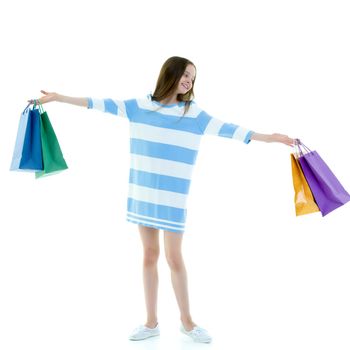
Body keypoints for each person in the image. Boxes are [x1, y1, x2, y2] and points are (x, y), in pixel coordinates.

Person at [29, 56, 294, 343]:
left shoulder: (193, 114)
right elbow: (99, 103)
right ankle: (151, 322)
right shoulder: (139, 107)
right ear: (171, 73)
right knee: (149, 255)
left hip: (173, 199)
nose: (189, 81)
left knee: (174, 257)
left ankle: (188, 322)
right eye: (186, 75)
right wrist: (59, 98)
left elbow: (228, 128)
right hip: (143, 194)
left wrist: (268, 138)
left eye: (193, 77)